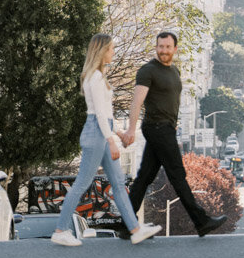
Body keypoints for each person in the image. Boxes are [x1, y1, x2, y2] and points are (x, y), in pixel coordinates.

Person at [51, 34, 161, 247]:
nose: (113, 52)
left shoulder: (98, 76)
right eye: (110, 49)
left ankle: (135, 229)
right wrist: (111, 141)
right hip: (97, 134)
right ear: (101, 51)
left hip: (101, 132)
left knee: (119, 183)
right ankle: (60, 230)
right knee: (83, 182)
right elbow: (100, 115)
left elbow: (106, 115)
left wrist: (118, 134)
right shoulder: (95, 78)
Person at [122, 29, 227, 237]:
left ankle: (126, 224)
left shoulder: (174, 71)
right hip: (157, 128)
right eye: (160, 47)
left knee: (145, 177)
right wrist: (131, 129)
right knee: (178, 175)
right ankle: (201, 221)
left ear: (175, 49)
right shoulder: (147, 71)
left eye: (168, 47)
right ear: (156, 47)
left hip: (166, 128)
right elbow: (136, 102)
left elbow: (172, 101)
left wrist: (174, 123)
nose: (164, 50)